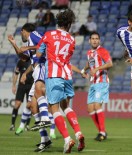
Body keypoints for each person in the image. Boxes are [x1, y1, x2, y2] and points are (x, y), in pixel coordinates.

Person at [36, 9, 85, 153]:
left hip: (54, 74)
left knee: (54, 108)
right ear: (69, 24)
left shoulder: (48, 35)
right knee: (66, 106)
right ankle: (78, 133)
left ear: (58, 21)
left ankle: (67, 139)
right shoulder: (71, 39)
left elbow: (39, 54)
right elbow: (67, 57)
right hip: (67, 75)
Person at [8, 23, 53, 152]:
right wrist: (14, 45)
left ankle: (45, 119)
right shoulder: (29, 41)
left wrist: (27, 46)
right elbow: (23, 57)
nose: (21, 35)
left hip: (43, 66)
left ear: (23, 31)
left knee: (38, 96)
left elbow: (44, 44)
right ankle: (45, 140)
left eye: (21, 33)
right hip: (36, 68)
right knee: (31, 106)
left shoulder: (33, 35)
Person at [81, 32, 113, 141]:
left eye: (97, 39)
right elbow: (89, 63)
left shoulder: (102, 51)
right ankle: (101, 131)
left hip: (102, 82)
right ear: (89, 41)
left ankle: (102, 132)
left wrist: (97, 69)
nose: (95, 40)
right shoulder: (89, 52)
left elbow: (110, 64)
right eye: (93, 39)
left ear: (99, 41)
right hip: (93, 83)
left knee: (96, 106)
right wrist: (84, 70)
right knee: (90, 108)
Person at [9, 54, 33, 131]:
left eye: (23, 55)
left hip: (30, 86)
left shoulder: (31, 61)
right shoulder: (19, 62)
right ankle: (12, 124)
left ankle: (27, 125)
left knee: (29, 105)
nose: (21, 57)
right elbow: (16, 74)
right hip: (21, 86)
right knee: (17, 104)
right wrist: (13, 85)